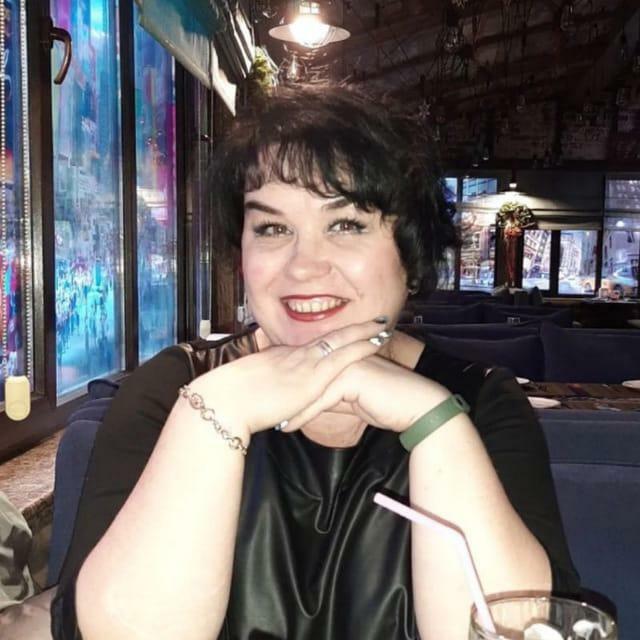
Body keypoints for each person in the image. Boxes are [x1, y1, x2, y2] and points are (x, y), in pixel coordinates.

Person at [51, 84, 578, 640]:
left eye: (346, 225)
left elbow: (520, 629)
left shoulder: (485, 402)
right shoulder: (173, 389)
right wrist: (218, 410)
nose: (303, 266)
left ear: (412, 253)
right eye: (273, 228)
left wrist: (435, 422)